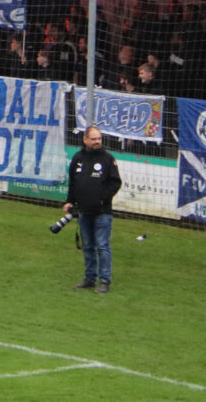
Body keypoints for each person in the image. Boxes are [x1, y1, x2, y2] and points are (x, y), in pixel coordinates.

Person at [64, 126, 122, 294]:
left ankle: (105, 280)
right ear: (85, 139)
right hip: (83, 211)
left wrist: (102, 199)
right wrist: (69, 201)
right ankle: (90, 279)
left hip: (102, 212)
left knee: (102, 246)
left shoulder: (107, 159)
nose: (97, 142)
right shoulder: (78, 158)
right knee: (88, 245)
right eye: (94, 139)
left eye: (99, 139)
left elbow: (115, 183)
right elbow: (73, 183)